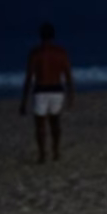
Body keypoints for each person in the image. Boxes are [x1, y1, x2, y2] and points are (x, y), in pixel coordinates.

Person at [20, 22, 74, 163]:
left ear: (40, 36)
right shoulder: (60, 52)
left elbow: (29, 77)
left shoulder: (36, 53)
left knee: (40, 125)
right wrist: (71, 96)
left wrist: (24, 101)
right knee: (55, 122)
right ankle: (55, 151)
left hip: (41, 89)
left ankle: (42, 154)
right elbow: (68, 75)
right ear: (53, 36)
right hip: (56, 89)